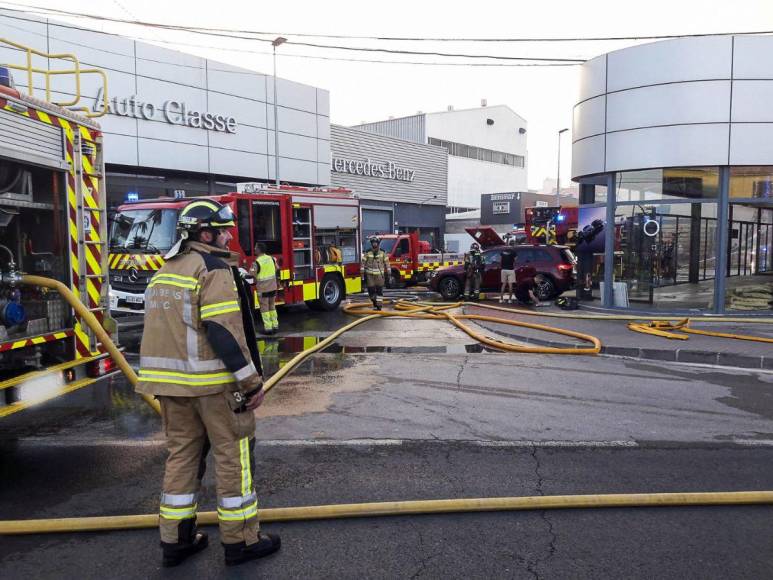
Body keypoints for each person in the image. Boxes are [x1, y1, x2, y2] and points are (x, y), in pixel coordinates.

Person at [136, 199, 281, 568]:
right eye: (223, 228)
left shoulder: (165, 271)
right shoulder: (212, 269)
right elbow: (222, 331)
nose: (229, 234)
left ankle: (176, 540)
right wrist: (251, 383)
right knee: (234, 458)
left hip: (171, 388)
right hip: (215, 387)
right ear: (205, 233)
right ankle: (242, 540)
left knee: (182, 456)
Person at [251, 242, 279, 335]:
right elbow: (277, 269)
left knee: (264, 309)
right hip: (273, 287)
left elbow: (252, 274)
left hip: (263, 289)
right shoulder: (272, 258)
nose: (254, 249)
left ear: (259, 250)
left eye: (255, 247)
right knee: (272, 306)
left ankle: (268, 328)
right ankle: (275, 326)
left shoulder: (257, 262)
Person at [362, 235, 390, 310]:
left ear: (378, 243)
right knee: (371, 292)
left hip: (379, 276)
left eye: (375, 243)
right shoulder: (367, 252)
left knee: (379, 292)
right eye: (373, 243)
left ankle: (379, 306)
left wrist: (389, 273)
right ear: (371, 244)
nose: (374, 244)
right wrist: (362, 274)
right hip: (370, 276)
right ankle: (374, 301)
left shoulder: (383, 252)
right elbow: (363, 263)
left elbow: (387, 263)